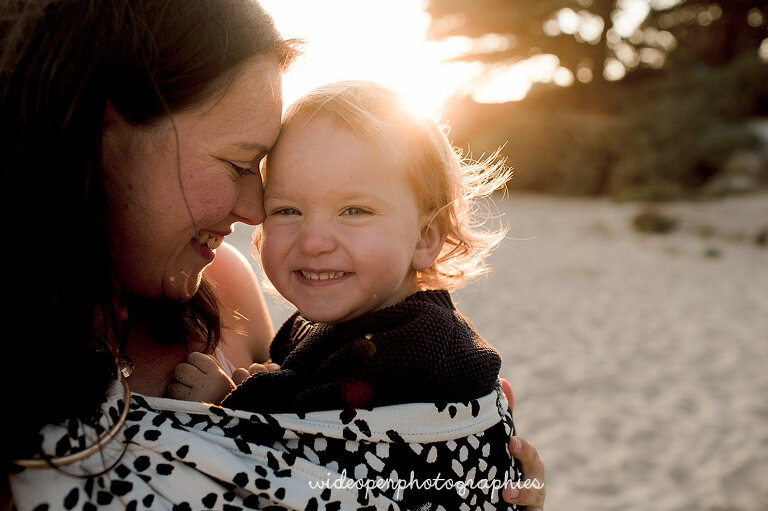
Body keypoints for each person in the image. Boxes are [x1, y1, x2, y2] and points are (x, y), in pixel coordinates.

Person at [0, 1, 545, 510]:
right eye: (240, 166)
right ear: (99, 125)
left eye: (354, 210)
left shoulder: (232, 290)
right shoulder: (312, 327)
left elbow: (318, 432)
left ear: (425, 235)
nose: (254, 210)